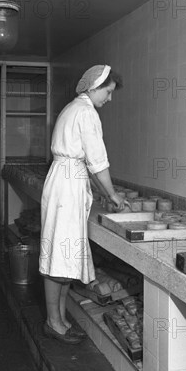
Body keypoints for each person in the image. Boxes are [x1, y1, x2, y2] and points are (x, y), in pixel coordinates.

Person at [39, 65, 127, 345]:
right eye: (109, 92)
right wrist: (112, 195)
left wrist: (96, 190)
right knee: (58, 258)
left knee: (64, 257)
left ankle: (60, 319)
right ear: (95, 86)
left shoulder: (73, 108)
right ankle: (54, 322)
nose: (109, 99)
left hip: (65, 181)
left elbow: (84, 162)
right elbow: (97, 160)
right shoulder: (87, 112)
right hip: (66, 186)